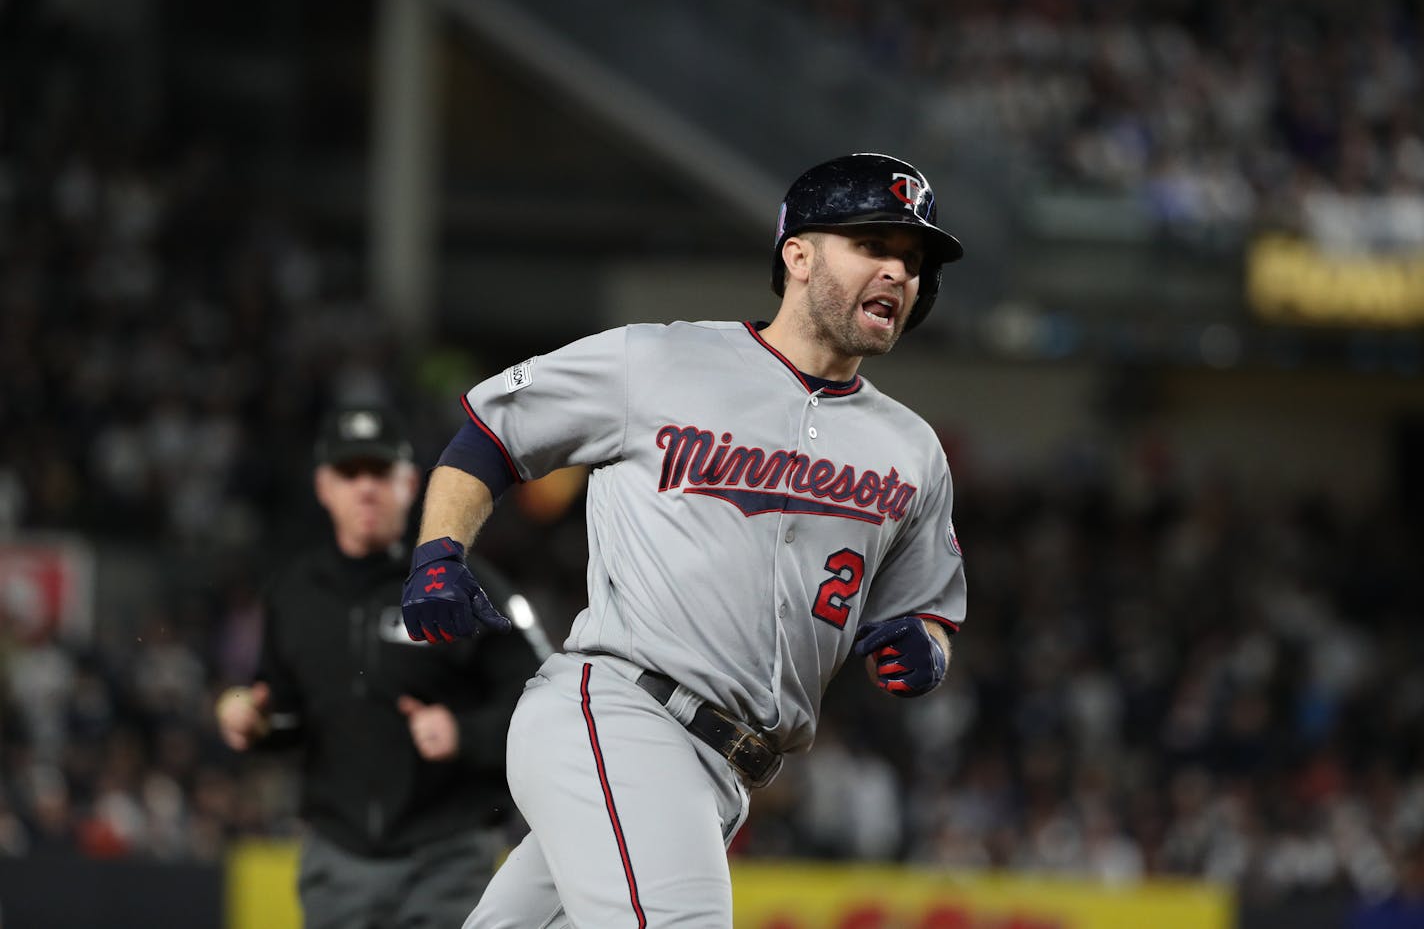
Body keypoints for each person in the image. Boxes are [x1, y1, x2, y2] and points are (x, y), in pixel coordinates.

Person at [401, 152, 968, 927]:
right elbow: (489, 433)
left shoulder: (912, 448)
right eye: (873, 246)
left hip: (723, 777)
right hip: (621, 713)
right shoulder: (660, 360)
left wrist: (924, 644)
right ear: (797, 255)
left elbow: (925, 606)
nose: (899, 272)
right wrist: (439, 553)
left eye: (912, 260)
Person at [215, 403, 545, 929]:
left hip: (446, 859)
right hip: (336, 860)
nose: (365, 487)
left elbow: (544, 703)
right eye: (349, 473)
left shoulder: (463, 585)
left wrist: (464, 732)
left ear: (410, 482)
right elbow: (286, 716)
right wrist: (259, 726)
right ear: (324, 486)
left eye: (380, 471)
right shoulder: (293, 594)